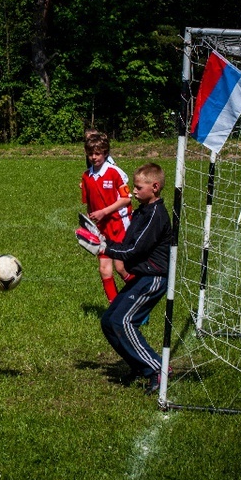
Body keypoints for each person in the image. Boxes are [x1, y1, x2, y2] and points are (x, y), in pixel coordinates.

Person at [76, 163, 172, 395]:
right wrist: (104, 242)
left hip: (154, 278)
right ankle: (139, 366)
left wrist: (104, 249)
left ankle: (157, 369)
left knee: (123, 322)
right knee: (109, 320)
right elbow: (126, 245)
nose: (133, 192)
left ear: (155, 187)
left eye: (138, 188)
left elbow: (134, 252)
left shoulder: (155, 216)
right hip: (142, 276)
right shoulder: (141, 212)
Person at [81, 131, 133, 303]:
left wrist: (104, 212)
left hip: (119, 225)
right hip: (102, 229)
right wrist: (89, 224)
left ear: (105, 153)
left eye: (98, 153)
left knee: (120, 267)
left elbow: (126, 199)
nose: (94, 157)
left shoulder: (115, 172)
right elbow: (89, 204)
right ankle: (116, 308)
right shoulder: (86, 177)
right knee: (104, 270)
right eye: (90, 154)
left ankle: (139, 300)